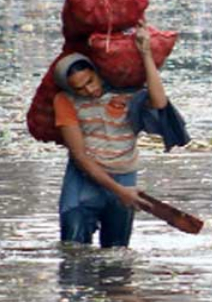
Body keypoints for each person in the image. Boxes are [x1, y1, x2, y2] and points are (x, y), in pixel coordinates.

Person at [52, 23, 188, 248]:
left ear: (97, 73)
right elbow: (80, 156)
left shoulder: (128, 94)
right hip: (82, 186)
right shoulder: (65, 101)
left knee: (117, 258)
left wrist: (145, 53)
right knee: (73, 257)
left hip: (124, 178)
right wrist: (119, 191)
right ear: (69, 89)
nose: (88, 90)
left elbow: (159, 102)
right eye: (79, 88)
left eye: (90, 81)